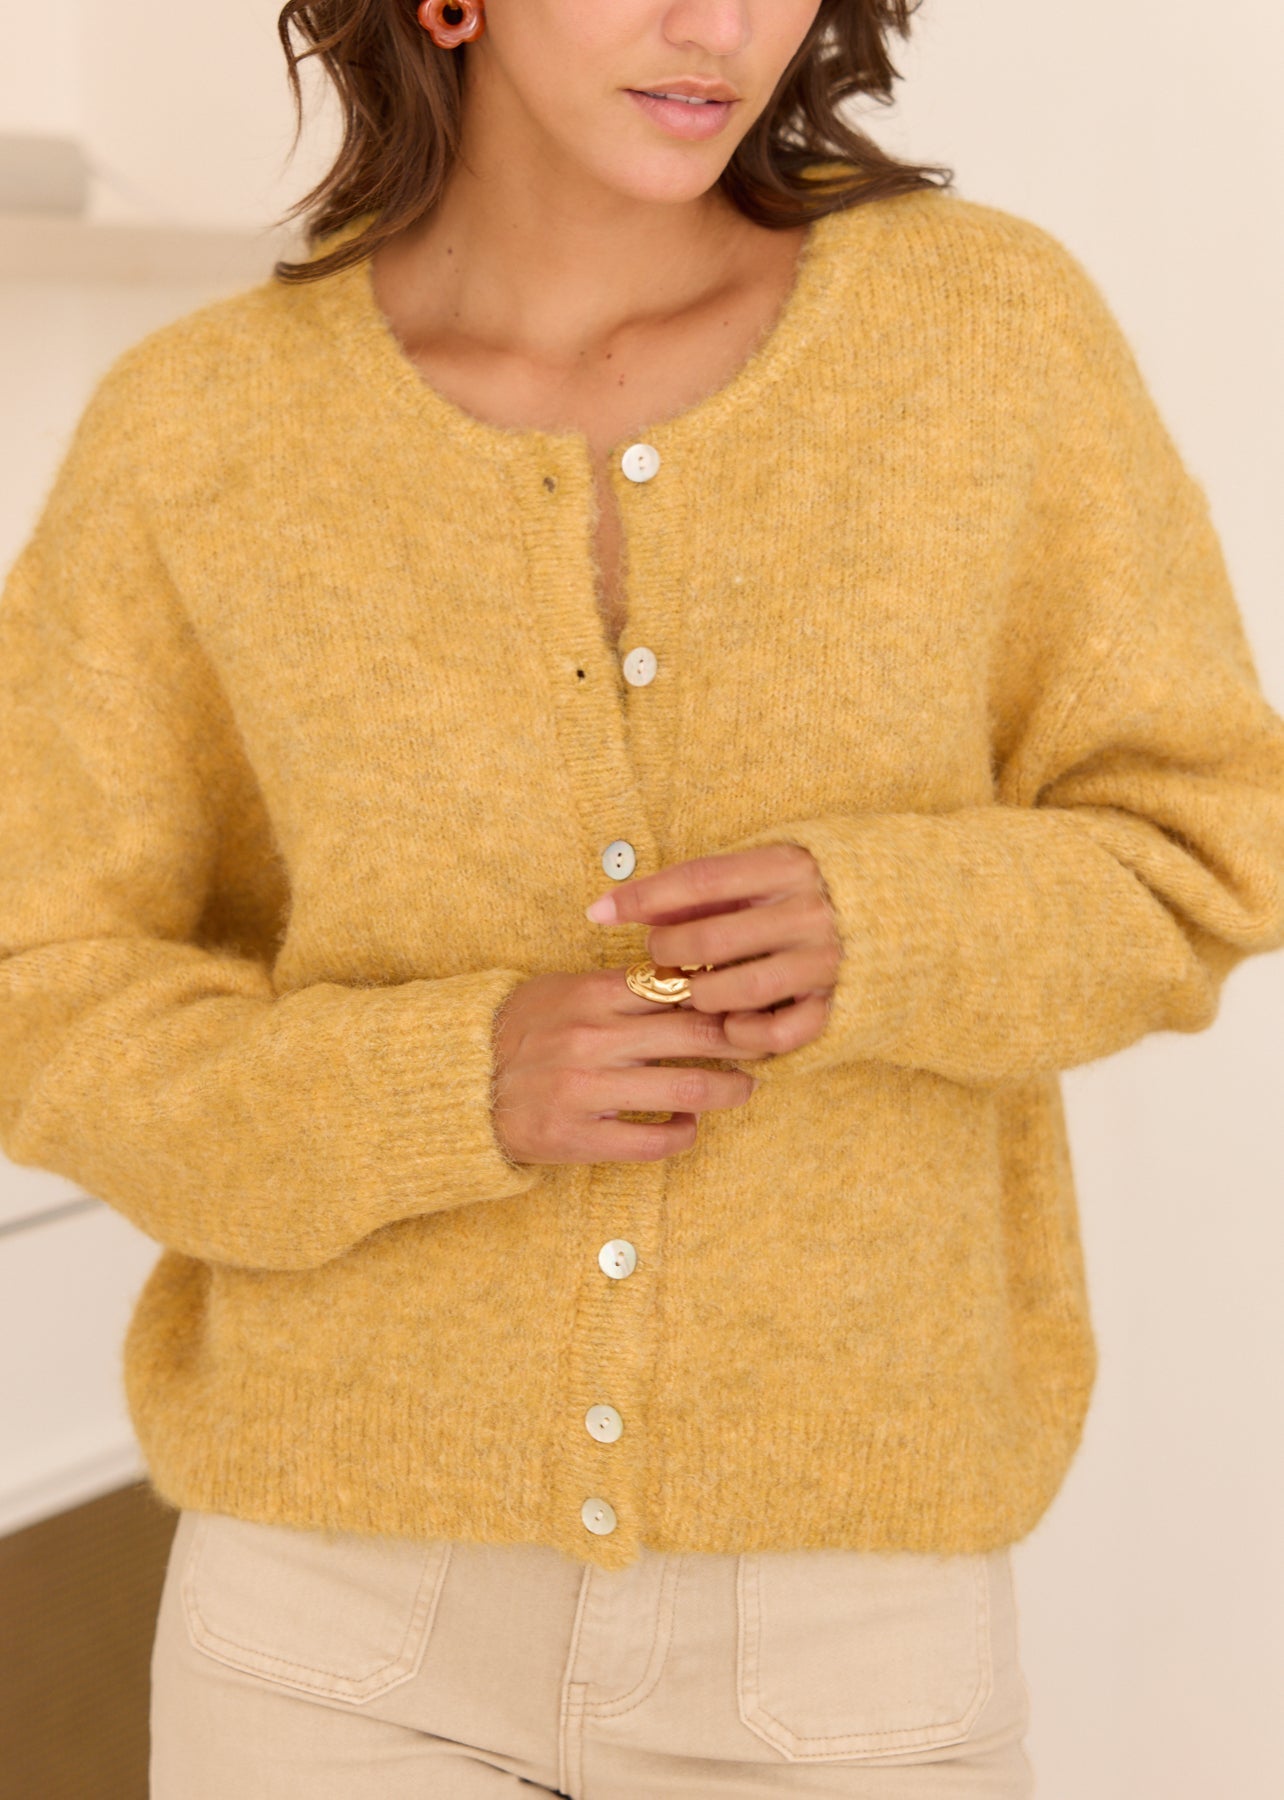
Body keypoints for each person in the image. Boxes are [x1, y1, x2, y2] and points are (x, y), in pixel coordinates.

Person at [2, 1, 1283, 1795]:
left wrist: (897, 922)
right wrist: (442, 1083)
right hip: (331, 1631)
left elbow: (1211, 835)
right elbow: (46, 982)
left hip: (840, 1640)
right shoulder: (201, 427)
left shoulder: (984, 333)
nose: (718, 26)